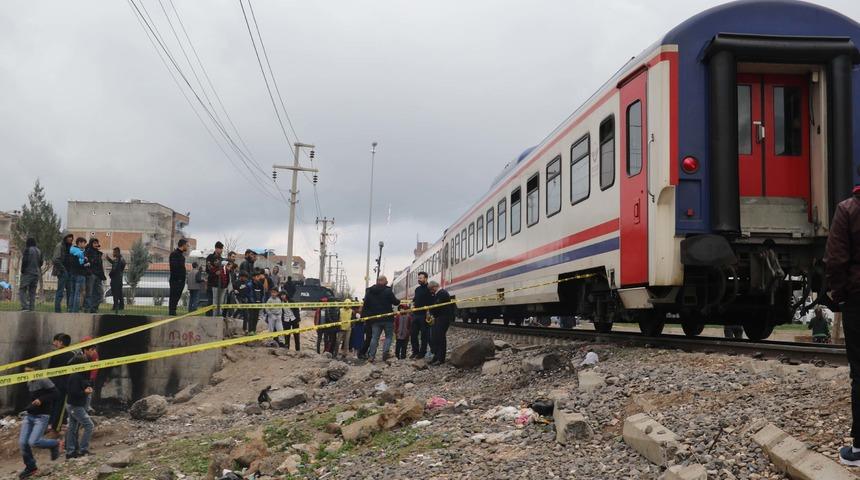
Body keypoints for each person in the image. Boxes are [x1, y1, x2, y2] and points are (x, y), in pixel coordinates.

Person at [825, 185, 860, 466]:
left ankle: (859, 450)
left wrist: (838, 294)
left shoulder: (848, 209)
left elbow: (836, 259)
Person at [19, 365, 62, 479]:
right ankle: (31, 467)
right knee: (23, 443)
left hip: (42, 417)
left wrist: (41, 400)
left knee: (34, 442)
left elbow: (56, 394)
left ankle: (55, 444)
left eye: (29, 371)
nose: (27, 373)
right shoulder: (29, 382)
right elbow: (33, 399)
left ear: (36, 371)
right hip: (30, 416)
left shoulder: (43, 379)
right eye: (25, 371)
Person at [362, 275, 401, 362]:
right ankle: (385, 354)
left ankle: (371, 356)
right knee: (389, 337)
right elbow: (395, 302)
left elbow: (366, 304)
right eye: (386, 280)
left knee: (374, 337)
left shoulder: (370, 291)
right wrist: (399, 301)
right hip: (388, 319)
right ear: (383, 281)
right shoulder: (388, 290)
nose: (387, 281)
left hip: (375, 319)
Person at [64, 355, 94, 459]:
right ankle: (83, 450)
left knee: (73, 428)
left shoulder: (80, 375)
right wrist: (84, 392)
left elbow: (83, 385)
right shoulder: (75, 376)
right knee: (89, 425)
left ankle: (71, 452)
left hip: (75, 405)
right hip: (75, 406)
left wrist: (88, 387)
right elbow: (72, 392)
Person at [47, 334, 74, 433]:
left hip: (54, 383)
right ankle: (56, 426)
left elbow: (49, 370)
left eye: (56, 341)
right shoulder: (71, 355)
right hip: (65, 384)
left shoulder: (55, 354)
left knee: (54, 404)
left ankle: (51, 424)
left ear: (61, 342)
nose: (55, 343)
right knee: (61, 405)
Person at [428, 281, 455, 366]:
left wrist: (431, 311)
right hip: (439, 318)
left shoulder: (442, 293)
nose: (431, 292)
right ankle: (436, 356)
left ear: (434, 287)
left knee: (440, 338)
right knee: (435, 337)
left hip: (443, 318)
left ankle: (440, 358)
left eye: (431, 290)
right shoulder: (438, 294)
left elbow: (437, 306)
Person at [410, 271, 433, 359]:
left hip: (424, 315)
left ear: (426, 278)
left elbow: (431, 302)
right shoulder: (417, 289)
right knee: (413, 334)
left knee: (424, 335)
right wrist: (412, 305)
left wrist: (429, 312)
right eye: (418, 278)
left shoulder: (429, 288)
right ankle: (415, 351)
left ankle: (422, 353)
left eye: (421, 278)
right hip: (416, 315)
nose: (419, 280)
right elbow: (415, 300)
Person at [18, 237, 42, 312]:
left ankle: (25, 306)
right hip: (36, 274)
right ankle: (32, 308)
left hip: (27, 273)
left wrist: (22, 271)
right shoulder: (39, 251)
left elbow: (24, 261)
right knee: (32, 291)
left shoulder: (27, 250)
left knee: (22, 289)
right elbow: (41, 263)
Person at [52, 234, 74, 313]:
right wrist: (63, 270)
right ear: (65, 237)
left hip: (69, 272)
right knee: (60, 291)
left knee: (70, 292)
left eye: (71, 237)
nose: (70, 238)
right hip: (62, 272)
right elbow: (55, 259)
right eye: (69, 237)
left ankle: (69, 309)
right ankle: (57, 310)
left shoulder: (71, 247)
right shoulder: (60, 246)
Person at [83, 238, 105, 313]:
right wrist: (89, 272)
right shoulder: (87, 252)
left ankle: (94, 308)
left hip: (98, 276)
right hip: (91, 275)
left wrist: (102, 276)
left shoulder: (98, 253)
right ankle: (87, 309)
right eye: (94, 243)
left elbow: (100, 266)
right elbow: (85, 263)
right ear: (91, 244)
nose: (96, 245)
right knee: (89, 293)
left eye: (97, 243)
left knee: (100, 293)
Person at [68, 237, 88, 313]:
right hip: (79, 274)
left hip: (72, 273)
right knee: (78, 293)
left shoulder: (72, 250)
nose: (84, 245)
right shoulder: (80, 252)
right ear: (79, 243)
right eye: (83, 243)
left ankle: (70, 309)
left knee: (72, 292)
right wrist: (86, 263)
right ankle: (75, 310)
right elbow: (80, 264)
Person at [168, 239, 188, 316]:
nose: (187, 247)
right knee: (174, 297)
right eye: (186, 245)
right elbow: (174, 267)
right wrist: (179, 278)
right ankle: (172, 313)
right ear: (183, 245)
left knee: (177, 297)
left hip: (180, 281)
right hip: (175, 280)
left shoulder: (181, 256)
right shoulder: (174, 254)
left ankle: (173, 312)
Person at [205, 242, 225, 316]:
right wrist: (215, 273)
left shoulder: (222, 259)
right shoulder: (210, 257)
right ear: (216, 248)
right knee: (210, 300)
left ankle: (216, 315)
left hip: (219, 283)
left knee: (218, 301)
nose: (221, 250)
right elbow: (208, 269)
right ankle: (208, 316)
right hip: (211, 282)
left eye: (222, 249)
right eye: (220, 249)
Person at [105, 247, 125, 312]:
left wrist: (110, 275)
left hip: (115, 279)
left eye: (114, 252)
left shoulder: (117, 260)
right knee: (119, 293)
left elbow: (114, 269)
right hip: (119, 278)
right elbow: (116, 264)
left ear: (117, 252)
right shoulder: (121, 259)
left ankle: (115, 307)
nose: (113, 253)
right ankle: (121, 306)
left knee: (115, 293)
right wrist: (108, 259)